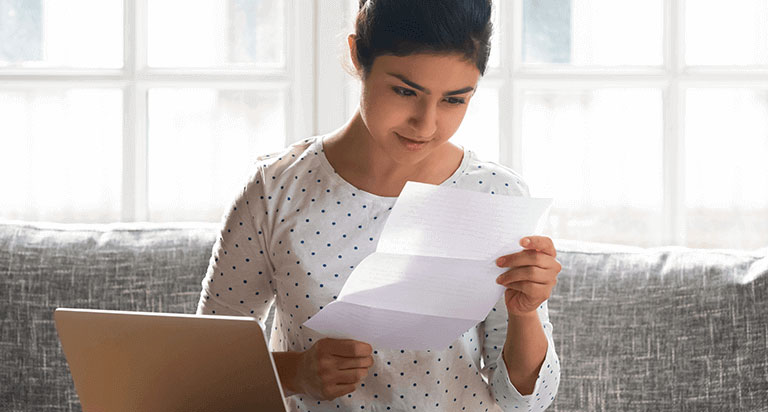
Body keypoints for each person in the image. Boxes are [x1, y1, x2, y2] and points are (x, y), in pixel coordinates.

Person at [196, 0, 562, 410]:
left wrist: (525, 313)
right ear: (357, 55)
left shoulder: (496, 195)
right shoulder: (275, 190)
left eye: (454, 100)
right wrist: (296, 371)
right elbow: (204, 368)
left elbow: (527, 401)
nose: (425, 124)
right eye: (405, 91)